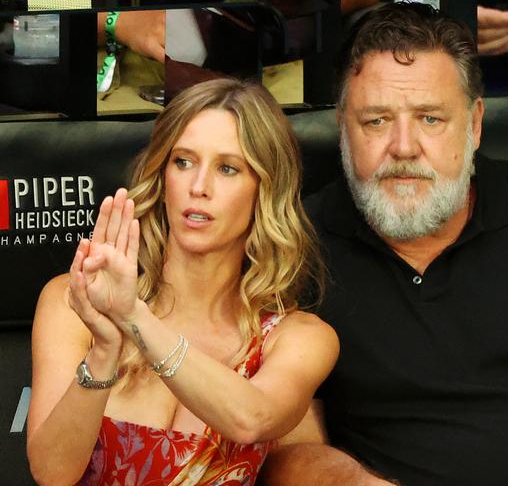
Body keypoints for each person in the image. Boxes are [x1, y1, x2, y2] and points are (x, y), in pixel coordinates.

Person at [259, 2, 508, 485]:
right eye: (376, 121)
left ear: (475, 124)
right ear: (343, 126)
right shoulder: (296, 244)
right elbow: (287, 452)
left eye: (430, 119)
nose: (403, 147)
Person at [26, 78, 339, 485]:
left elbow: (251, 419)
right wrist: (104, 349)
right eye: (184, 161)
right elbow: (51, 474)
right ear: (163, 174)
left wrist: (133, 318)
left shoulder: (297, 338)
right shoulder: (72, 301)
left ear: (265, 189)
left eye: (227, 168)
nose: (198, 187)